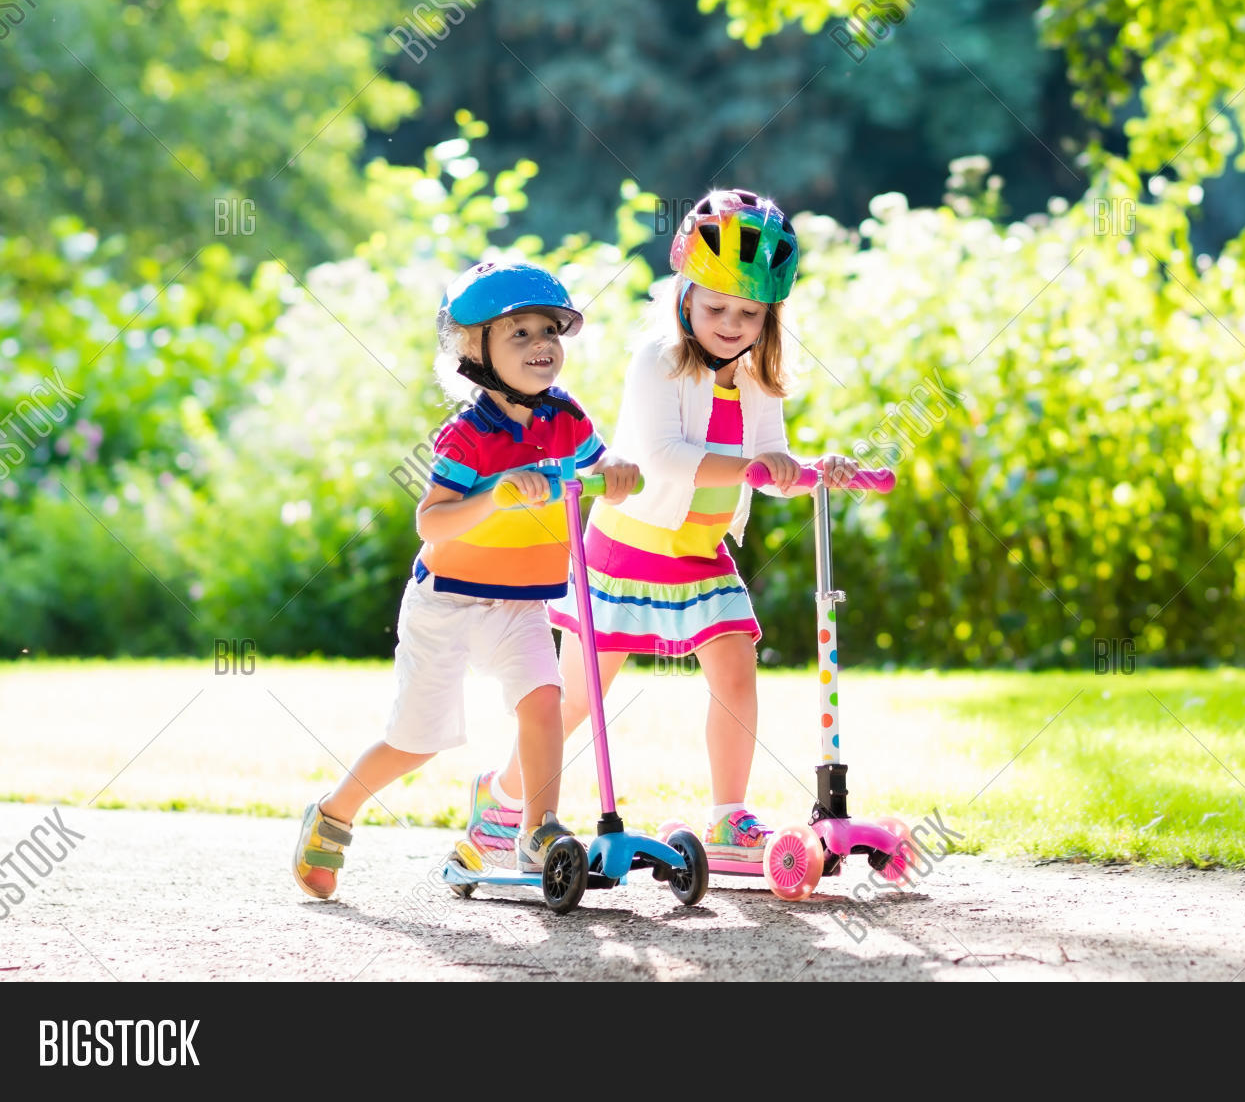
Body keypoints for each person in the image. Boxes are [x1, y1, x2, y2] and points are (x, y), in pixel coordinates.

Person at [462, 189, 856, 869]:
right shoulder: (657, 361)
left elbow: (765, 460)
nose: (732, 324)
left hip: (701, 553)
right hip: (626, 550)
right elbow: (663, 459)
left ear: (769, 316)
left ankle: (729, 820)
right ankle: (501, 800)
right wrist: (759, 465)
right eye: (717, 308)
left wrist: (805, 470)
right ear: (684, 295)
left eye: (749, 313)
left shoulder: (758, 377)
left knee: (736, 671)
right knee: (580, 698)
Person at [292, 261, 639, 899]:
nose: (542, 344)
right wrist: (497, 497)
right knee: (417, 742)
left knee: (544, 706)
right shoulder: (468, 435)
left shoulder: (565, 417)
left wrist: (617, 468)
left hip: (522, 606)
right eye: (520, 334)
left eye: (550, 331)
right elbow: (432, 523)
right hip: (447, 603)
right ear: (474, 353)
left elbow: (599, 457)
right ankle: (334, 812)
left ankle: (537, 829)